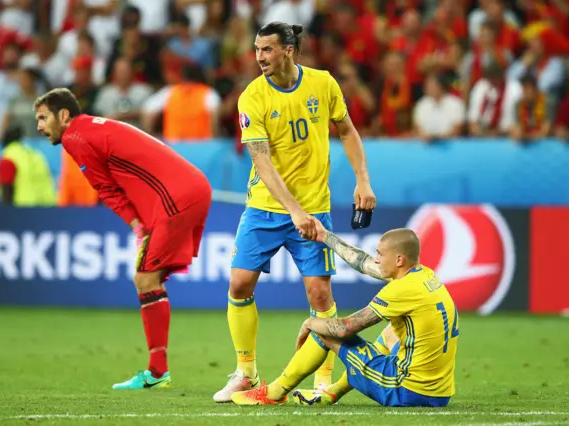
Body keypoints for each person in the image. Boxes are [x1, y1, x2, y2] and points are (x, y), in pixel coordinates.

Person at [214, 22, 377, 403]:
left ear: (288, 49)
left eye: (267, 50)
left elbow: (348, 131)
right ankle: (246, 372)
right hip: (265, 209)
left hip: (315, 208)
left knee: (320, 295)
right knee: (239, 284)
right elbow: (263, 164)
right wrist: (294, 212)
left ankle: (322, 376)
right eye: (256, 50)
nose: (259, 57)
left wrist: (362, 180)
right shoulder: (252, 97)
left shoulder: (323, 83)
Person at [34, 88, 212, 390]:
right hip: (190, 189)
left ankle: (158, 373)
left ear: (64, 116)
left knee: (145, 279)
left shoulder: (75, 137)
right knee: (149, 278)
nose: (39, 126)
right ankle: (158, 370)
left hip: (175, 197)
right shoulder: (93, 126)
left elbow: (106, 189)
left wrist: (136, 225)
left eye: (42, 117)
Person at [232, 221, 458, 406]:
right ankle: (331, 393)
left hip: (406, 390)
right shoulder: (424, 276)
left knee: (326, 331)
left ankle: (273, 393)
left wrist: (312, 322)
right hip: (439, 392)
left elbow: (344, 329)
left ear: (399, 260)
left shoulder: (400, 290)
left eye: (380, 254)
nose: (376, 259)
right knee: (392, 332)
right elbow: (361, 261)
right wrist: (325, 236)